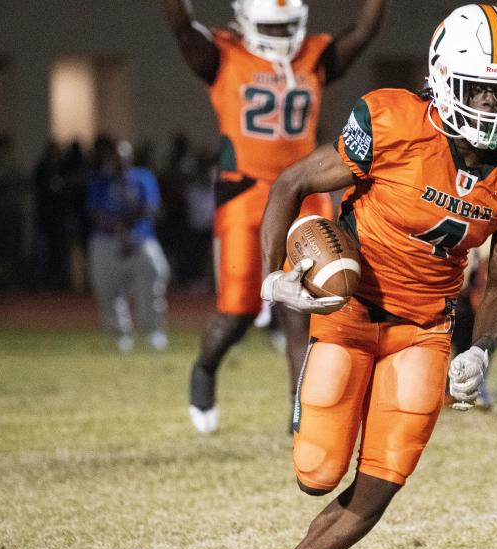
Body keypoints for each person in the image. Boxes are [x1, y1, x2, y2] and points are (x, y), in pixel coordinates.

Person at [239, 4, 497, 549]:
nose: (493, 109)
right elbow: (288, 183)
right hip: (350, 312)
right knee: (317, 471)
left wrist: (482, 348)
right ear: (444, 78)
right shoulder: (390, 121)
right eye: (480, 91)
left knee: (380, 482)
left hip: (424, 331)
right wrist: (274, 277)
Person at [161, 0, 387, 434]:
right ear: (246, 21)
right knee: (236, 312)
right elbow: (181, 27)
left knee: (307, 307)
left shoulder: (314, 56)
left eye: (288, 29)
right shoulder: (223, 55)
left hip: (305, 187)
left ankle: (300, 413)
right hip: (246, 191)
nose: (282, 39)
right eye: (271, 27)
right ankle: (205, 369)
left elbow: (365, 28)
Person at [86, 139, 171, 353]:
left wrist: (128, 230)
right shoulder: (99, 181)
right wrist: (119, 229)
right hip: (108, 240)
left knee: (154, 276)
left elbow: (151, 208)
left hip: (140, 239)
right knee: (108, 289)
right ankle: (119, 335)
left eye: (123, 156)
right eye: (115, 157)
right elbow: (96, 214)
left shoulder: (143, 177)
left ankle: (153, 331)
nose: (119, 161)